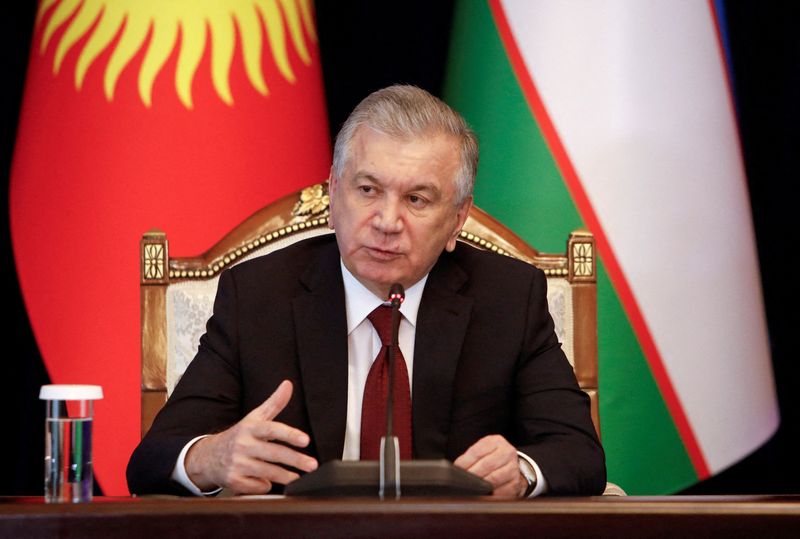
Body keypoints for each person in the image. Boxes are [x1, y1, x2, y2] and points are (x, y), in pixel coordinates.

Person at [127, 85, 606, 497]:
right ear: (334, 194)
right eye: (368, 190)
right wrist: (211, 458)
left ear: (457, 219)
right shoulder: (258, 296)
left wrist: (520, 472)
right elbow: (152, 460)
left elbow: (579, 452)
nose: (386, 222)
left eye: (416, 199)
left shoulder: (508, 298)